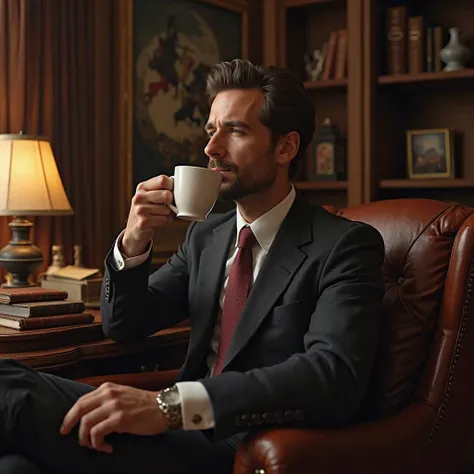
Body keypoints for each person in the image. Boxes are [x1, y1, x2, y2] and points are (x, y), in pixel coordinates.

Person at [0, 59, 385, 474]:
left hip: (241, 444)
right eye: (211, 130)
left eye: (234, 130)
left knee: (9, 390)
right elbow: (125, 325)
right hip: (174, 432)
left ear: (285, 148)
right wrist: (134, 239)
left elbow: (332, 376)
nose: (211, 148)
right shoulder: (207, 237)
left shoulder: (344, 245)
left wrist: (170, 406)